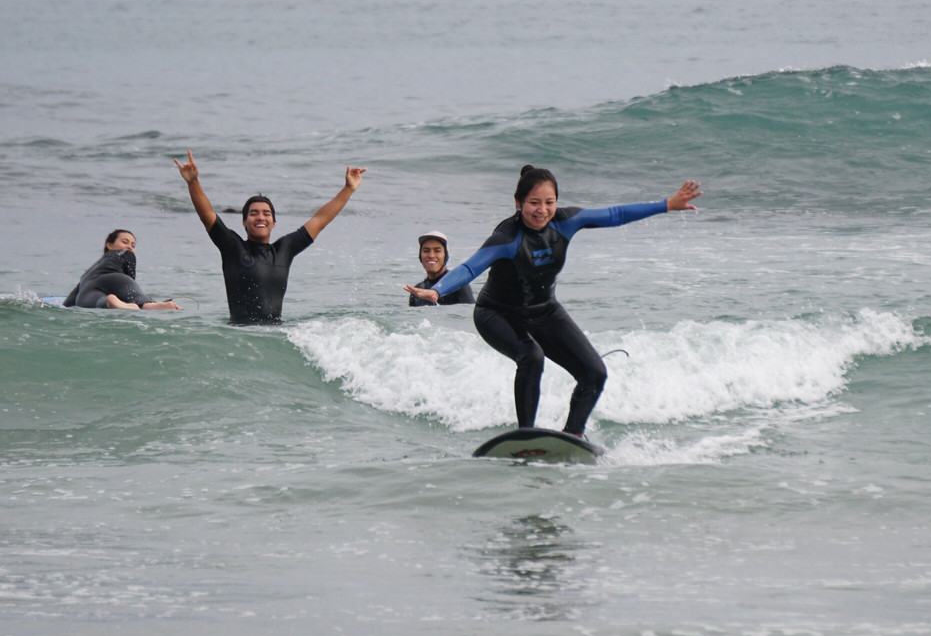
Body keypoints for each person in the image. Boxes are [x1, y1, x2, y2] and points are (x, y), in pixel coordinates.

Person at [406, 165, 702, 436]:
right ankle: (525, 435)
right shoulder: (507, 237)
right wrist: (438, 290)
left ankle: (572, 436)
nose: (542, 210)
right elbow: (471, 268)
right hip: (497, 314)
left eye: (550, 202)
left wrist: (667, 205)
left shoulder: (565, 222)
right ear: (518, 202)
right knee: (531, 357)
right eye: (534, 203)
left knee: (595, 373)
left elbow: (615, 214)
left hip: (545, 311)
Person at [173, 150, 366, 324]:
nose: (260, 217)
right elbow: (207, 215)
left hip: (274, 334)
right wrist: (193, 182)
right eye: (253, 213)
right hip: (240, 333)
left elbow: (320, 219)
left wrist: (348, 188)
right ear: (244, 222)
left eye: (266, 214)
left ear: (273, 222)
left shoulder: (284, 249)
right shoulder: (232, 247)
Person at [63, 229, 181, 310]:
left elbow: (69, 303)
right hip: (116, 279)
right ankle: (147, 305)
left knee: (98, 302)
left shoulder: (88, 272)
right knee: (134, 297)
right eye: (125, 242)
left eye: (133, 245)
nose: (129, 247)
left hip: (86, 291)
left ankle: (111, 303)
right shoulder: (122, 254)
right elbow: (128, 282)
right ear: (109, 245)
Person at [408, 230, 475, 307]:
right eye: (426, 251)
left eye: (437, 251)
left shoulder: (459, 286)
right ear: (420, 256)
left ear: (445, 256)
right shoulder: (418, 291)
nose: (431, 255)